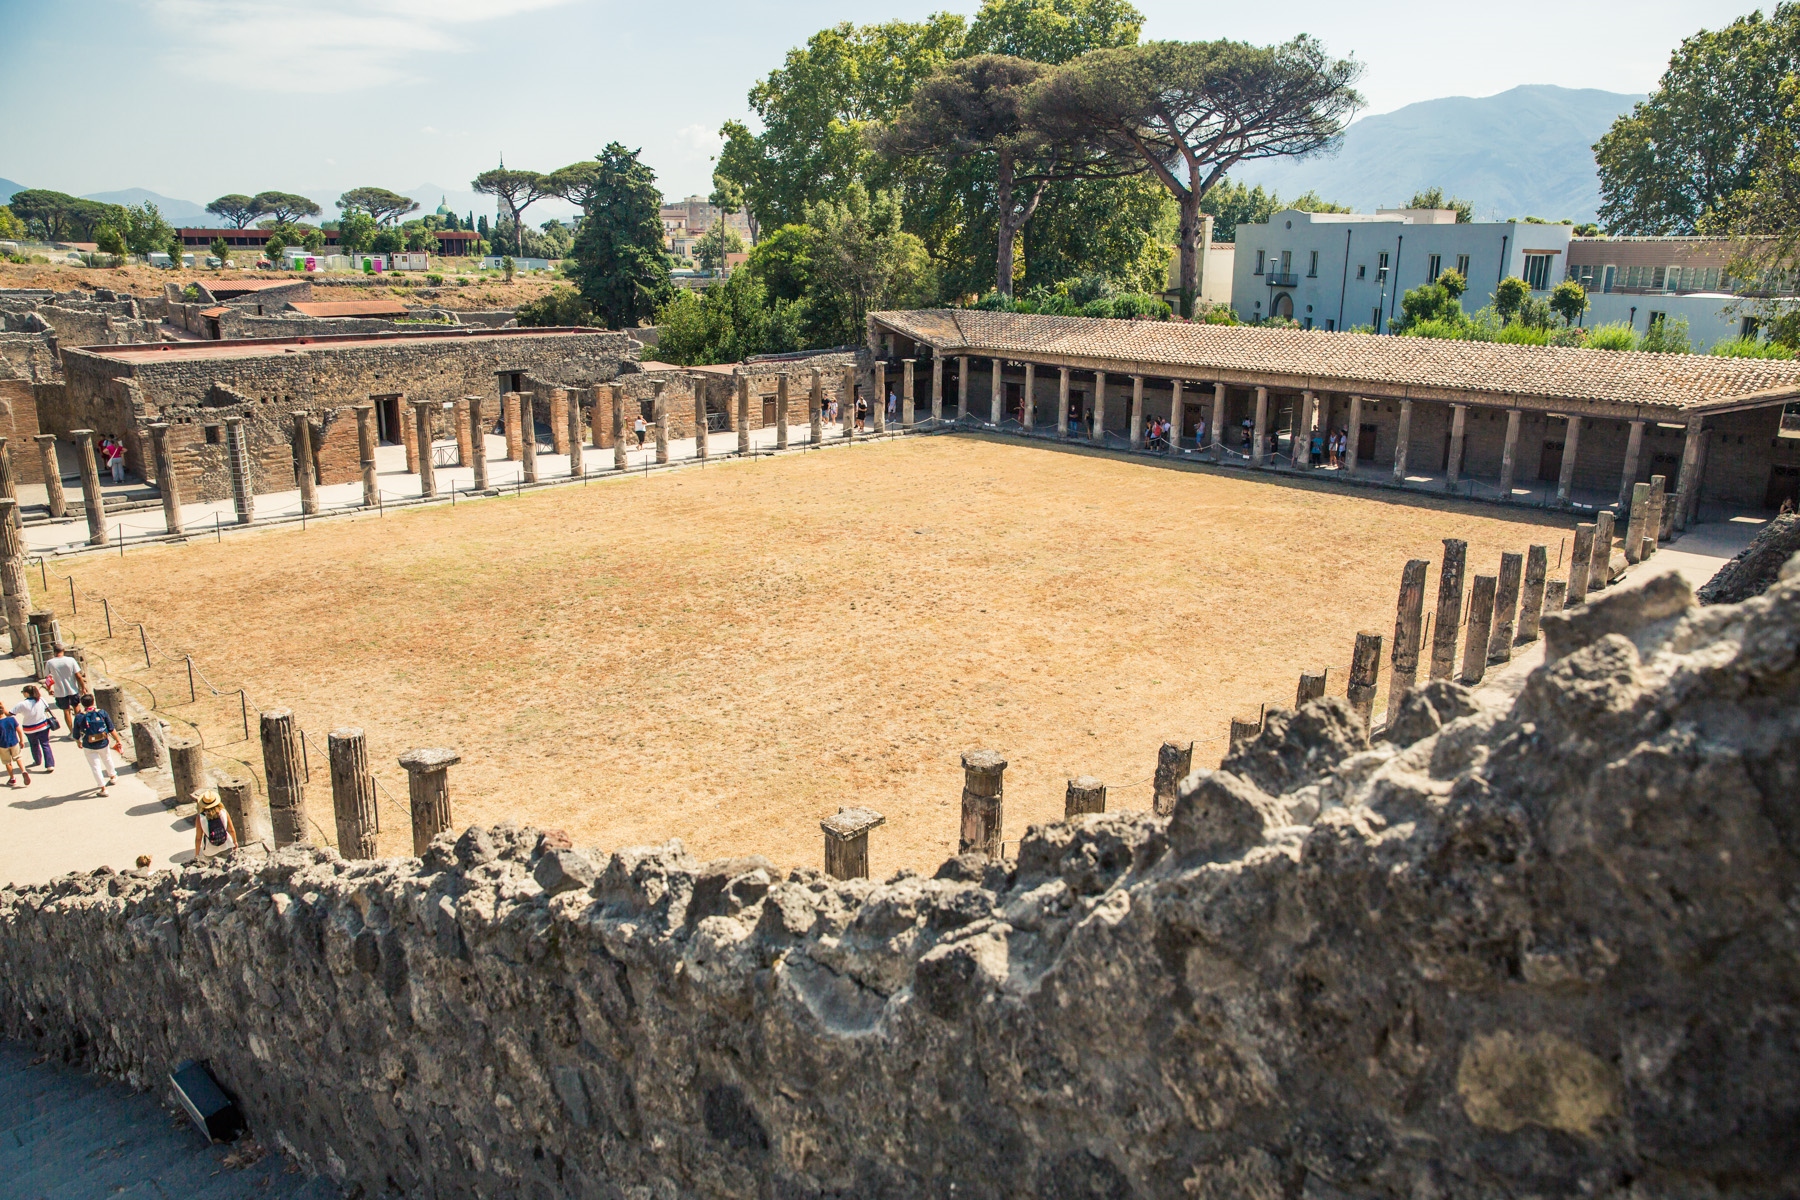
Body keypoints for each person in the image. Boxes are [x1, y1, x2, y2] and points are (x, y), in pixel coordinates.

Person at [72, 694, 120, 796]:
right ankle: (113, 776)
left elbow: (76, 733)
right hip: (103, 742)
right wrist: (117, 740)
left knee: (95, 766)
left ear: (82, 704)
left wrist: (78, 742)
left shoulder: (80, 717)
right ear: (93, 701)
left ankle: (103, 788)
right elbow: (111, 728)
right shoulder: (102, 713)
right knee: (107, 758)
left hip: (88, 745)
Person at [43, 645, 84, 735]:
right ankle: (80, 729)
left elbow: (48, 678)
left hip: (59, 692)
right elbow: (78, 676)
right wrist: (83, 687)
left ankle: (72, 732)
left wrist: (49, 689)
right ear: (64, 650)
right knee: (77, 708)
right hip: (73, 689)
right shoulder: (71, 660)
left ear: (54, 651)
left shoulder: (50, 663)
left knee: (66, 711)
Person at [13, 684, 52, 772]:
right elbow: (46, 709)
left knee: (34, 745)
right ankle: (50, 765)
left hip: (29, 728)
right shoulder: (41, 700)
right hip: (43, 726)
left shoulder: (22, 704)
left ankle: (37, 760)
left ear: (27, 693)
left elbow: (11, 713)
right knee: (45, 744)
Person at [192, 788, 239, 861]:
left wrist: (197, 854)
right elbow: (231, 829)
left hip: (210, 850)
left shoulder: (200, 818)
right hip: (226, 845)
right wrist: (235, 842)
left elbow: (198, 838)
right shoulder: (223, 812)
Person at [0, 705, 27, 786]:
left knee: (7, 762)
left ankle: (12, 779)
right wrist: (21, 741)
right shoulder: (11, 719)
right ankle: (23, 771)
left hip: (3, 745)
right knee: (18, 758)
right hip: (14, 742)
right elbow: (19, 730)